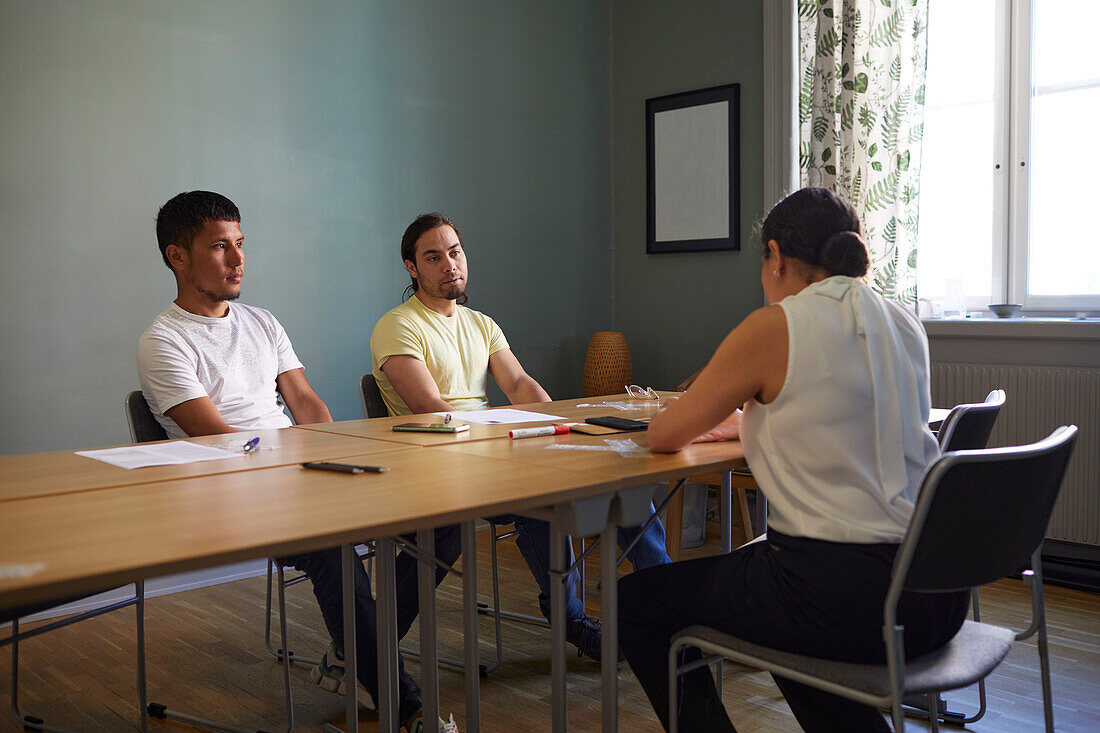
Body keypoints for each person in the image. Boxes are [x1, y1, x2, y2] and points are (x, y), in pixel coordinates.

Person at [618, 188, 970, 732]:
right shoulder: (903, 323)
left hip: (846, 605)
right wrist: (755, 419)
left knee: (637, 601)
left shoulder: (777, 325)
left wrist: (719, 416)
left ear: (776, 256)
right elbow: (847, 413)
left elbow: (664, 432)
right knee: (777, 600)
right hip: (933, 596)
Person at [137, 191, 459, 733]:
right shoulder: (162, 341)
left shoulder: (262, 322)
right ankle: (408, 710)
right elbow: (219, 439)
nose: (239, 259)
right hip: (230, 496)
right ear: (177, 257)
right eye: (220, 247)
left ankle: (353, 650)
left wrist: (338, 455)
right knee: (335, 548)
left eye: (240, 244)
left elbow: (308, 405)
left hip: (295, 476)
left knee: (445, 518)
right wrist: (302, 466)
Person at [370, 212, 671, 661]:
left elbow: (520, 385)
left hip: (498, 454)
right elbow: (429, 408)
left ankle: (667, 608)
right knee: (542, 506)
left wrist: (557, 426)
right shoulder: (398, 325)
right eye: (433, 257)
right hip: (439, 465)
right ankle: (573, 622)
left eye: (455, 252)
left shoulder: (481, 324)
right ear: (412, 269)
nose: (449, 264)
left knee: (618, 481)